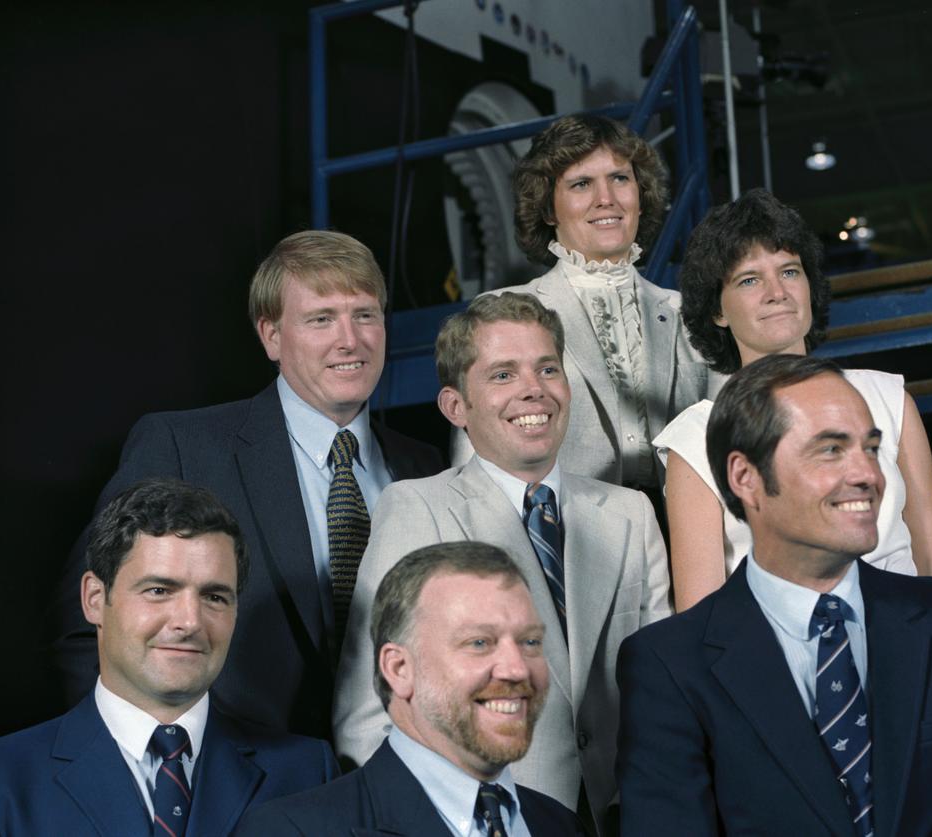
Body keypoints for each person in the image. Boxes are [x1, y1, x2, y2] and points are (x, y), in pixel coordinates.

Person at [617, 355, 932, 835]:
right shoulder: (668, 665)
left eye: (871, 448)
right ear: (746, 478)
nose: (868, 475)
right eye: (831, 450)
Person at [51, 230, 443, 740]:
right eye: (321, 319)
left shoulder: (426, 465)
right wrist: (140, 765)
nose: (350, 339)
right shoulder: (183, 447)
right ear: (271, 336)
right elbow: (85, 629)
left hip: (401, 772)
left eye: (365, 315)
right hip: (232, 773)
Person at [335, 292, 670, 833]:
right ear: (455, 407)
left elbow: (662, 695)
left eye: (547, 369)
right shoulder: (417, 508)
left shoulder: (631, 514)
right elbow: (369, 714)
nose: (533, 389)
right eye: (503, 374)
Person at [0, 479, 338, 836]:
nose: (190, 621)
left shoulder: (306, 774)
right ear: (94, 599)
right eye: (158, 590)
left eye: (214, 597)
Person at [654, 188, 932, 610]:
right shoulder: (694, 439)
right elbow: (700, 612)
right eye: (749, 280)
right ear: (717, 311)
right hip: (771, 643)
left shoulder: (887, 398)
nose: (777, 292)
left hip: (907, 628)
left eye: (789, 271)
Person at [238, 541, 584, 836]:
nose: (517, 668)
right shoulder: (292, 830)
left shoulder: (563, 826)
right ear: (399, 669)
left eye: (530, 641)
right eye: (479, 642)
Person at [454, 114, 709, 493]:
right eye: (582, 184)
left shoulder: (687, 313)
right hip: (567, 522)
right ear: (548, 208)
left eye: (620, 178)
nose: (606, 199)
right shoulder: (501, 313)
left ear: (640, 196)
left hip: (684, 519)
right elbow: (473, 467)